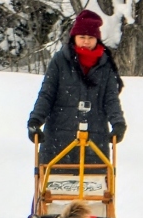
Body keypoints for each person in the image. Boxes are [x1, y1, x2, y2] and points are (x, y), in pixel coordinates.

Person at [27, 10, 126, 164]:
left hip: (94, 139)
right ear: (74, 38)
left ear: (97, 39)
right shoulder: (60, 61)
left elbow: (111, 99)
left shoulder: (105, 65)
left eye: (90, 38)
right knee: (54, 186)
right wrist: (35, 121)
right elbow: (47, 94)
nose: (86, 41)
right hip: (58, 140)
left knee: (95, 185)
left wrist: (118, 123)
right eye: (82, 37)